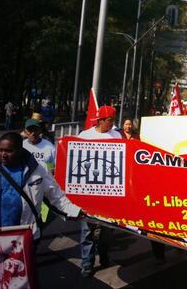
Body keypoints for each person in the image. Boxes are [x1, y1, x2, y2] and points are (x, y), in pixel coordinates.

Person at [0, 132, 81, 240]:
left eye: (9, 151)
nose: (3, 154)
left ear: (20, 150)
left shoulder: (39, 169)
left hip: (26, 237)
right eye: (0, 150)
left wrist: (75, 211)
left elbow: (56, 197)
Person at [77, 105, 121, 277]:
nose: (112, 124)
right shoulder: (84, 136)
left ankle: (104, 255)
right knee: (87, 229)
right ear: (100, 120)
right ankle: (87, 263)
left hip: (110, 192)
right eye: (110, 120)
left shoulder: (116, 136)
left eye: (113, 120)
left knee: (107, 230)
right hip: (89, 192)